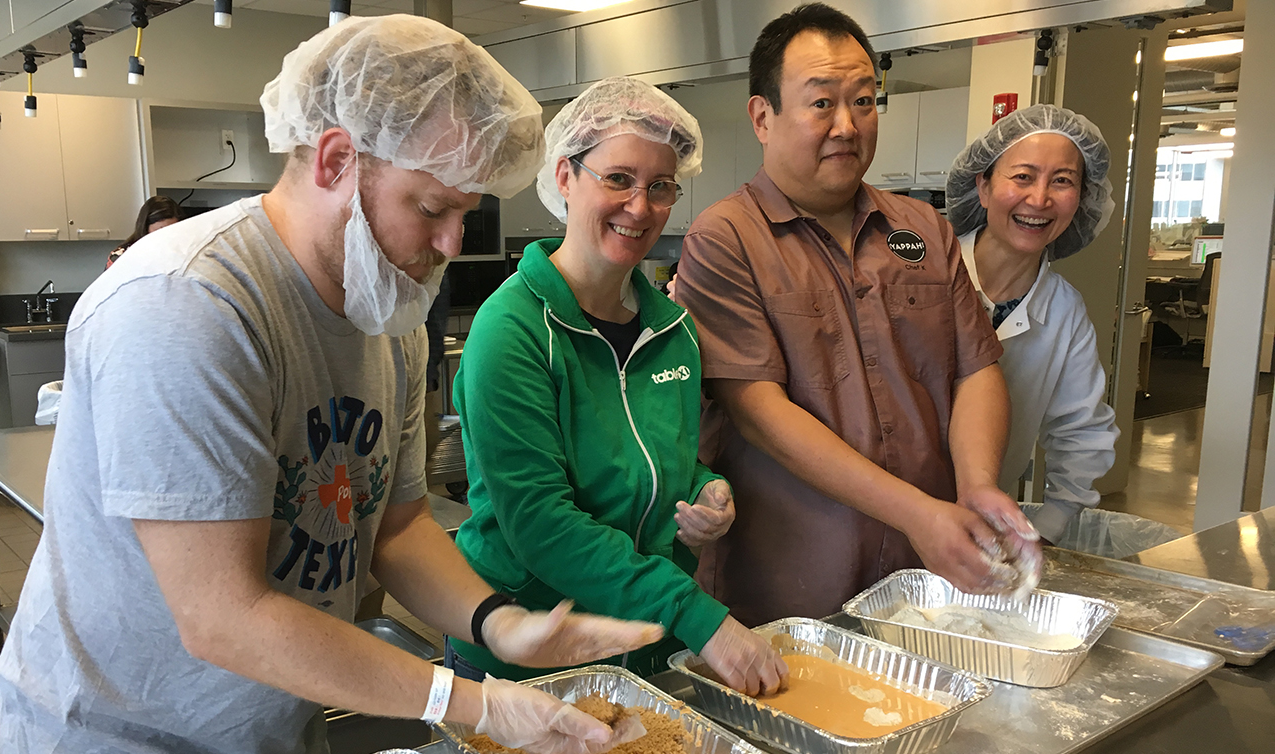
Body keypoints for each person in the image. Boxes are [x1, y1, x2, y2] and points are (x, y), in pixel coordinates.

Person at [0, 17, 663, 754]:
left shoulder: (389, 306)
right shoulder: (187, 306)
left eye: (465, 213)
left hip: (273, 728)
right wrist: (468, 701)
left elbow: (398, 527)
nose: (450, 244)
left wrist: (498, 623)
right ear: (338, 158)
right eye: (432, 208)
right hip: (120, 743)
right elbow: (222, 615)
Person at [674, 2, 1042, 628]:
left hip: (924, 582)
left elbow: (974, 368)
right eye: (821, 103)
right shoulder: (726, 238)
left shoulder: (922, 230)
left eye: (865, 102)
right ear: (763, 117)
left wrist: (977, 484)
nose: (847, 124)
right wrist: (917, 512)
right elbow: (758, 413)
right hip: (791, 587)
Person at [448, 77, 788, 696]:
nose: (641, 206)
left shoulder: (673, 329)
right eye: (618, 179)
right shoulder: (513, 330)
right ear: (565, 177)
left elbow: (671, 463)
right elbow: (541, 523)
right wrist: (693, 612)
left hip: (644, 645)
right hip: (534, 649)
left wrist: (709, 494)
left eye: (661, 186)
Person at [945, 104, 1120, 545]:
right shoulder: (920, 272)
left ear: (1081, 198)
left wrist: (1050, 527)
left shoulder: (1064, 312)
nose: (1039, 199)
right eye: (1022, 176)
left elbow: (1081, 431)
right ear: (983, 187)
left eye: (1062, 181)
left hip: (979, 529)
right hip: (880, 513)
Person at [107, 195, 182, 268]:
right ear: (145, 227)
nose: (166, 237)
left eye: (172, 230)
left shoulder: (183, 253)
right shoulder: (121, 257)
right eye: (160, 231)